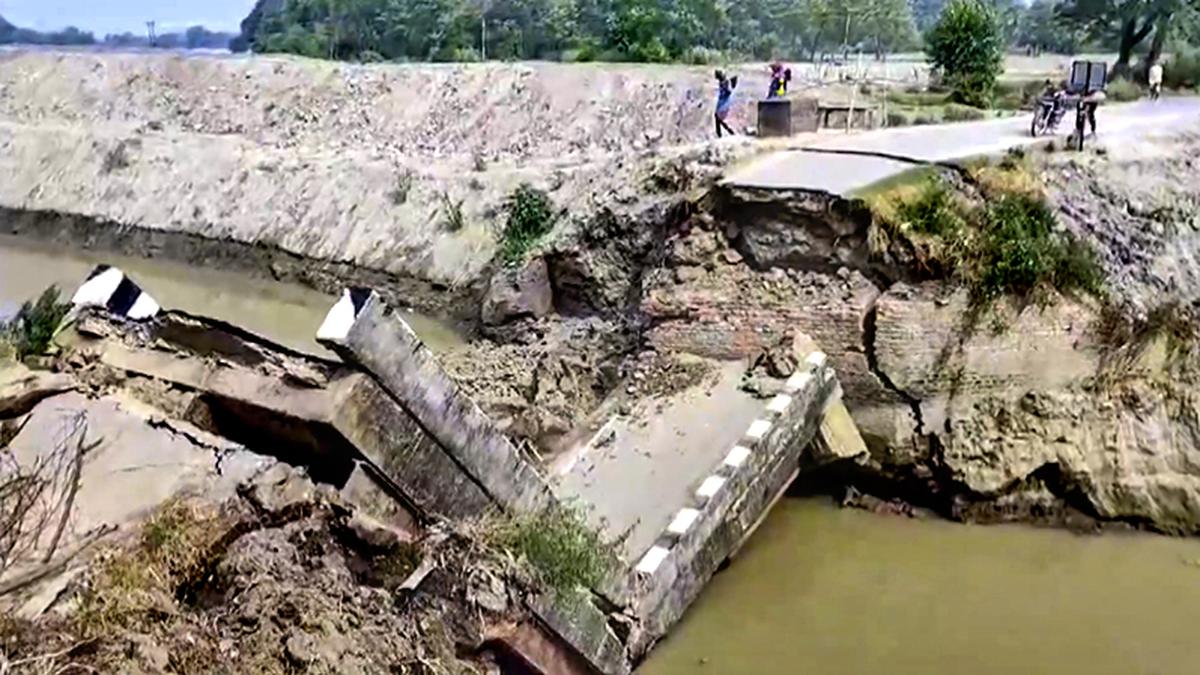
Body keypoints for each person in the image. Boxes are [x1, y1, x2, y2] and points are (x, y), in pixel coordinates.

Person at [714, 70, 738, 138]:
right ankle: (724, 133)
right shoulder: (722, 82)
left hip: (725, 102)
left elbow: (729, 91)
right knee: (718, 118)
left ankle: (726, 132)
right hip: (722, 102)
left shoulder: (725, 82)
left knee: (718, 118)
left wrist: (725, 87)